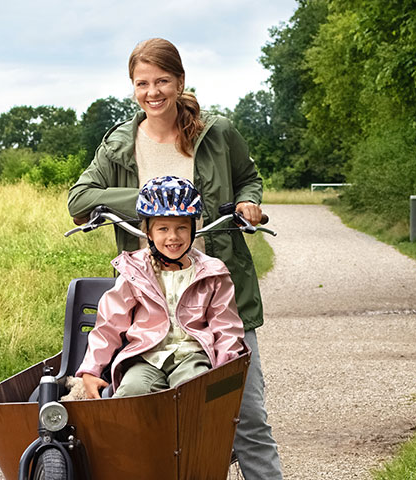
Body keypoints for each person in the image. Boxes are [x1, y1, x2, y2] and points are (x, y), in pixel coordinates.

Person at [67, 38, 283, 479]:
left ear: (180, 81)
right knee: (143, 416)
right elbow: (80, 198)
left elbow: (249, 179)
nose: (153, 92)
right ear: (132, 87)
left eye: (162, 80)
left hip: (219, 293)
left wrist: (248, 204)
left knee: (245, 417)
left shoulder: (216, 133)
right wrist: (153, 202)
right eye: (142, 83)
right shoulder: (120, 144)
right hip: (152, 304)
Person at [76, 177, 244, 399]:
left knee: (192, 394)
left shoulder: (212, 273)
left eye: (182, 227)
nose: (173, 237)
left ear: (194, 229)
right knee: (130, 395)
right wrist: (90, 370)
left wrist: (226, 369)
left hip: (192, 356)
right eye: (163, 228)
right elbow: (109, 324)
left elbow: (226, 326)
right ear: (148, 233)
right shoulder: (135, 271)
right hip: (147, 356)